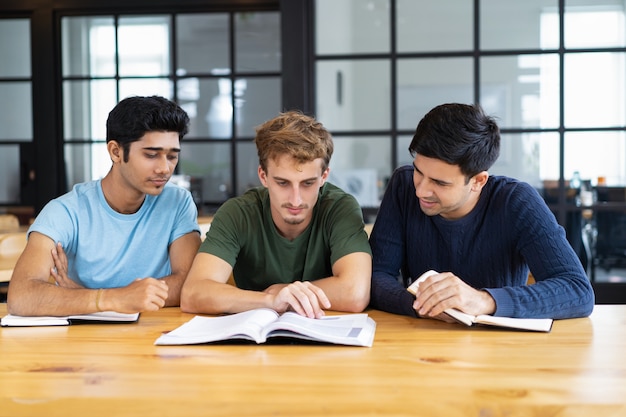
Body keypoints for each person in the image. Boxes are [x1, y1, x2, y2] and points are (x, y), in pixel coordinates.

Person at [369, 103, 594, 320]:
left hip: (499, 345)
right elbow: (376, 276)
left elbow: (577, 290)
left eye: (440, 183)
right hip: (420, 341)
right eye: (418, 172)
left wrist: (484, 301)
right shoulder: (403, 186)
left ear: (478, 181)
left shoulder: (517, 201)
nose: (421, 191)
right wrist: (425, 306)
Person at [7, 95, 201, 316]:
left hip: (157, 333)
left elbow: (190, 284)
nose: (165, 168)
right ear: (116, 152)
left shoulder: (177, 202)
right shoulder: (66, 211)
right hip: (86, 341)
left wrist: (84, 297)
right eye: (151, 155)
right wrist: (114, 299)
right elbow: (21, 296)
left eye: (172, 156)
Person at [181, 110, 372, 319]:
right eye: (283, 183)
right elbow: (193, 293)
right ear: (263, 176)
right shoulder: (238, 213)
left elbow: (355, 293)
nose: (296, 200)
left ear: (324, 176)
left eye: (308, 183)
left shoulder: (339, 208)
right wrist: (272, 300)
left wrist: (285, 291)